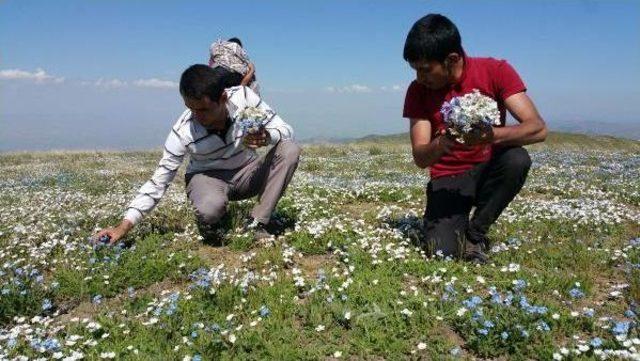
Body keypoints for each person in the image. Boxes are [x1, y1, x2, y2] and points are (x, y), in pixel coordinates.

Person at [96, 64, 301, 245]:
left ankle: (257, 223)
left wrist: (268, 136)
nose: (196, 116)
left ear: (223, 98)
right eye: (190, 108)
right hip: (207, 178)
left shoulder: (244, 98)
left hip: (247, 172)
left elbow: (286, 130)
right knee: (210, 209)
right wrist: (122, 228)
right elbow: (159, 181)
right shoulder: (183, 131)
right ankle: (213, 219)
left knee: (289, 149)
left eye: (203, 109)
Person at [402, 14, 547, 263]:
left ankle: (475, 233)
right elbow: (420, 157)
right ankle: (452, 226)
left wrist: (489, 137)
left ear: (452, 59)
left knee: (516, 159)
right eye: (415, 70)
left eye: (426, 70)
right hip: (449, 177)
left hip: (488, 167)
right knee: (443, 252)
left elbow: (537, 129)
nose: (420, 78)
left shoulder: (495, 71)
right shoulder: (418, 91)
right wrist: (443, 142)